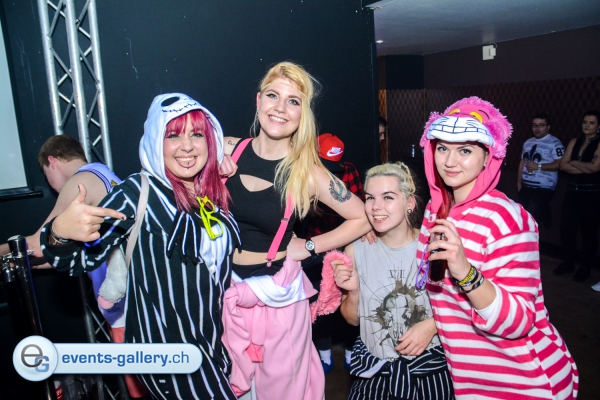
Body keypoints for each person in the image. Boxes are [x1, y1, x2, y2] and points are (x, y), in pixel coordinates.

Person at [42, 93, 240, 399]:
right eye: (173, 135)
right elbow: (76, 261)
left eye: (197, 134)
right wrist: (58, 233)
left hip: (210, 344)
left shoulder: (208, 194)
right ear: (155, 140)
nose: (187, 146)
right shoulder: (137, 193)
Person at [220, 62, 371, 400]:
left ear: (303, 113)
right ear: (258, 100)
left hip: (278, 298)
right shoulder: (227, 148)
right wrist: (210, 171)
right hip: (226, 289)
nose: (280, 108)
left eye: (293, 101)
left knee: (282, 389)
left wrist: (311, 246)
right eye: (273, 95)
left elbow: (362, 217)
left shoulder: (308, 172)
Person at [416, 97, 578, 399]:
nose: (449, 161)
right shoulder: (434, 211)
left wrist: (465, 272)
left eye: (465, 150)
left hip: (525, 380)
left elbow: (518, 322)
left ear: (488, 157)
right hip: (472, 379)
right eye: (442, 148)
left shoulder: (508, 219)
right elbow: (436, 289)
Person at [332, 162, 453, 400]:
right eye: (370, 198)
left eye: (388, 197)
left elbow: (464, 307)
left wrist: (432, 325)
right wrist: (353, 292)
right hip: (374, 373)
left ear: (410, 203)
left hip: (429, 371)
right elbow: (352, 319)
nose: (376, 206)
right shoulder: (356, 249)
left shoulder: (435, 246)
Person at [295, 132, 364, 374]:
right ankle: (324, 356)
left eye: (335, 166)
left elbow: (361, 206)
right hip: (314, 245)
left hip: (345, 242)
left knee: (351, 299)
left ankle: (351, 353)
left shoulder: (349, 170)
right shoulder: (302, 172)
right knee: (319, 302)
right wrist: (310, 209)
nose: (331, 172)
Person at [555, 110, 600, 283]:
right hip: (572, 192)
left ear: (598, 126)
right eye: (585, 122)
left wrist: (574, 163)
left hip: (591, 194)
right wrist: (585, 166)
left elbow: (595, 168)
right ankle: (568, 262)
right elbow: (563, 165)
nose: (587, 125)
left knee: (588, 232)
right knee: (567, 229)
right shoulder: (575, 141)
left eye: (591, 123)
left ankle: (585, 267)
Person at [517, 113, 565, 228]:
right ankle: (545, 214)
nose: (537, 128)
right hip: (526, 186)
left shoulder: (555, 143)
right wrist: (519, 183)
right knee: (520, 216)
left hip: (543, 187)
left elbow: (561, 164)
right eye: (534, 125)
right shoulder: (528, 142)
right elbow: (522, 162)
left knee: (530, 220)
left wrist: (538, 166)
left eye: (541, 125)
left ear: (548, 127)